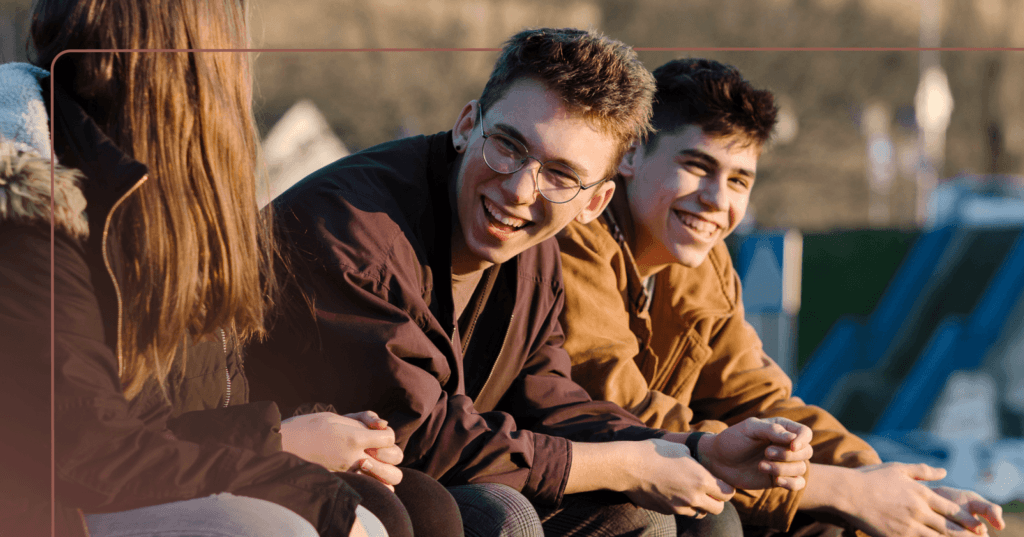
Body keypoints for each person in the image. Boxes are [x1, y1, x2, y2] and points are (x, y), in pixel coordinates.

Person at [245, 28, 815, 537]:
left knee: (689, 513)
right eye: (509, 146)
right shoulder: (356, 229)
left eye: (562, 175)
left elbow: (550, 399)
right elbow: (421, 433)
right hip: (271, 471)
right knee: (500, 516)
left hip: (424, 475)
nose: (520, 190)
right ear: (468, 125)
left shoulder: (534, 247)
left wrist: (698, 448)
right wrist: (630, 463)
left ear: (595, 201)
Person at [0, 1, 462, 536]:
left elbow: (185, 405)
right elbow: (89, 449)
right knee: (290, 527)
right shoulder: (33, 205)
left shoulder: (161, 182)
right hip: (56, 502)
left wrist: (312, 431)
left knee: (421, 507)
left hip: (143, 459)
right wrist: (285, 450)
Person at [556, 57, 1009, 537]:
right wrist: (842, 489)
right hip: (560, 479)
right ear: (630, 156)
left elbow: (757, 399)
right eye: (696, 165)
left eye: (738, 180)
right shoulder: (572, 238)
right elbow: (626, 419)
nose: (717, 198)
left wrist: (882, 483)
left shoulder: (704, 265)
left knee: (836, 523)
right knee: (712, 520)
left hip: (666, 463)